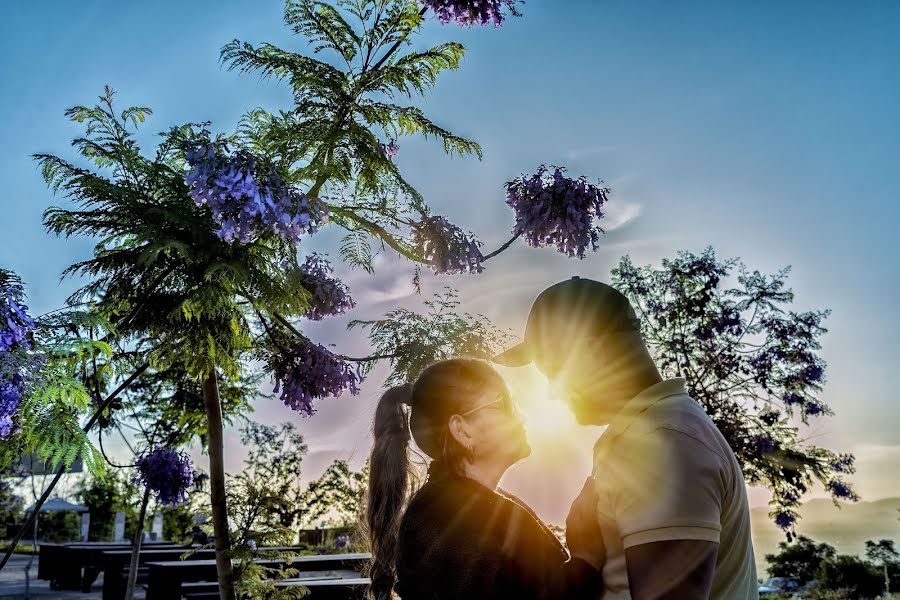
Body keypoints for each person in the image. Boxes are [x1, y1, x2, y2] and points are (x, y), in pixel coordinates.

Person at [495, 277, 759, 599]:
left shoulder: (660, 441)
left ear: (591, 350)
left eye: (553, 371)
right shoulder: (654, 430)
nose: (552, 392)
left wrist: (583, 559)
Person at [366, 357, 604, 600]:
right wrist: (585, 562)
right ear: (462, 431)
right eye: (504, 405)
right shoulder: (445, 520)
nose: (522, 417)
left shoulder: (466, 508)